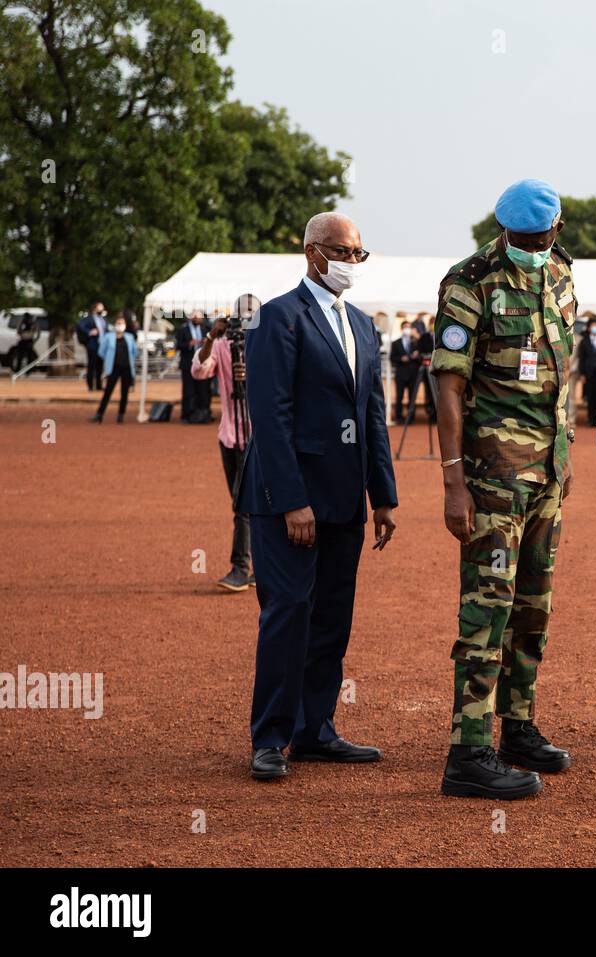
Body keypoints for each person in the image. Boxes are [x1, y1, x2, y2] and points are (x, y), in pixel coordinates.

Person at [237, 211, 398, 781]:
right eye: (345, 252)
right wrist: (291, 500)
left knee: (332, 615)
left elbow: (372, 414)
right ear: (312, 252)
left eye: (359, 253)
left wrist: (383, 494)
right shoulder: (275, 318)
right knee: (288, 612)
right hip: (287, 500)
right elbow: (271, 417)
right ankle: (270, 737)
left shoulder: (360, 324)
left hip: (345, 501)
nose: (354, 262)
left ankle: (316, 731)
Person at [433, 178, 577, 799]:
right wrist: (452, 480)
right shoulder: (469, 281)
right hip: (491, 477)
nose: (530, 246)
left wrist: (564, 453)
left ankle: (517, 726)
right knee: (486, 608)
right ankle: (468, 751)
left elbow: (560, 369)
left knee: (533, 607)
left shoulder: (563, 275)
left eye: (538, 238)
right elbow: (449, 385)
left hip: (548, 474)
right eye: (519, 239)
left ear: (556, 231)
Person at [193, 294, 258, 592]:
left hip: (257, 437)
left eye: (250, 314)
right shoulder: (221, 344)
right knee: (244, 503)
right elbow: (199, 371)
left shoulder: (268, 344)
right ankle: (258, 566)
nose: (244, 321)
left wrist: (253, 376)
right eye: (239, 315)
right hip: (229, 435)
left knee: (243, 503)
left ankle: (241, 568)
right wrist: (210, 336)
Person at [92, 312, 136, 423]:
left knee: (124, 393)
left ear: (125, 325)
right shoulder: (108, 337)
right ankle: (99, 414)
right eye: (118, 323)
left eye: (122, 323)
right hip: (113, 368)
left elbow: (134, 352)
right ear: (115, 324)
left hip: (126, 368)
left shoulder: (130, 337)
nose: (120, 325)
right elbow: (101, 351)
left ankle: (121, 415)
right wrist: (108, 359)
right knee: (108, 391)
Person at [176, 309, 212, 423]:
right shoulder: (183, 330)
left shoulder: (205, 329)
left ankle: (203, 413)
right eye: (196, 317)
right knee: (188, 391)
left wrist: (206, 342)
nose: (198, 319)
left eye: (200, 318)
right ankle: (186, 415)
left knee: (204, 390)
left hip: (202, 365)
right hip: (187, 365)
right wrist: (189, 344)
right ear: (191, 318)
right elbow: (178, 345)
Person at [390, 318, 421, 423]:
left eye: (409, 327)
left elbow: (421, 357)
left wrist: (415, 356)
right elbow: (392, 357)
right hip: (401, 374)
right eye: (405, 327)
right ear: (401, 329)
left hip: (413, 374)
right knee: (399, 396)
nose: (407, 329)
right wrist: (401, 358)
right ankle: (399, 417)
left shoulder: (416, 342)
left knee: (412, 397)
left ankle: (411, 417)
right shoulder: (396, 343)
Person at [76, 302, 108, 391]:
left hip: (102, 346)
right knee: (91, 366)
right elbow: (80, 325)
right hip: (93, 345)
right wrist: (89, 332)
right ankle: (90, 386)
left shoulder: (103, 319)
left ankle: (99, 385)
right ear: (95, 308)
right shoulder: (89, 319)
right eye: (100, 308)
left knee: (99, 366)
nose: (102, 310)